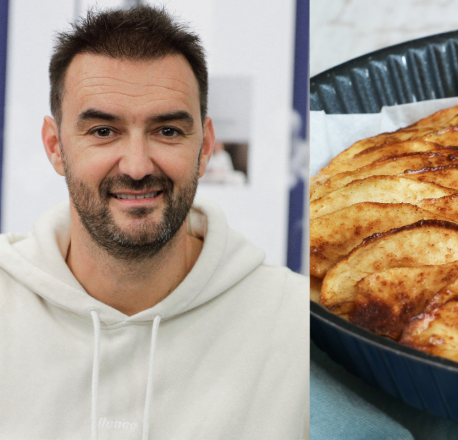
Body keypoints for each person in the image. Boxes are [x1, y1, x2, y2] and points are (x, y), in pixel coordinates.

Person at [0, 6, 308, 440]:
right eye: (104, 131)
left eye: (167, 131)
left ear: (205, 148)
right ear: (55, 146)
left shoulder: (296, 323)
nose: (138, 165)